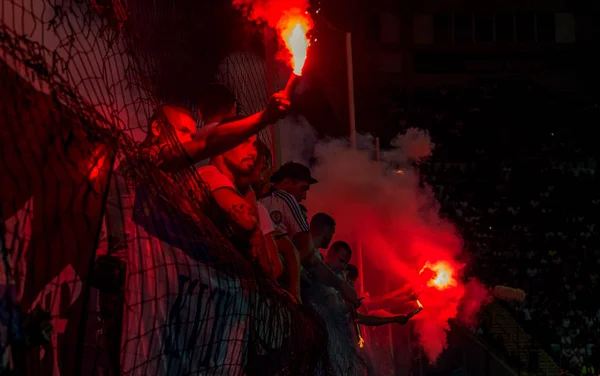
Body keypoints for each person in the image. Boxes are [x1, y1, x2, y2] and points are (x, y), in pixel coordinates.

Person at [260, 165, 359, 307]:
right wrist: (341, 285)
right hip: (277, 292)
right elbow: (308, 254)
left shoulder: (259, 196)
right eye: (303, 188)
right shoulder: (285, 199)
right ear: (287, 182)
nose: (304, 196)